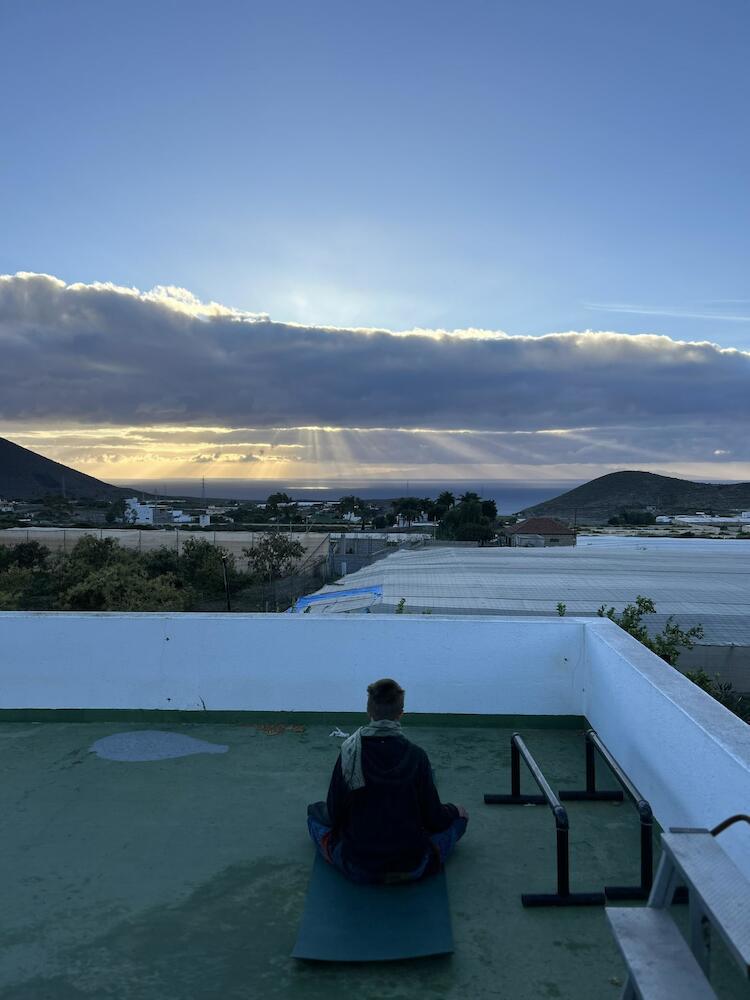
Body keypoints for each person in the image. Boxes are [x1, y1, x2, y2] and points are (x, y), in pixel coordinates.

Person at [307, 677, 468, 884]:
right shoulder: (417, 756)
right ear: (400, 714)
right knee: (460, 821)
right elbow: (434, 819)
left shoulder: (349, 752)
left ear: (369, 712)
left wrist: (316, 810)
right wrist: (455, 810)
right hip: (413, 864)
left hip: (357, 865)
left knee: (313, 821)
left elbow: (334, 813)